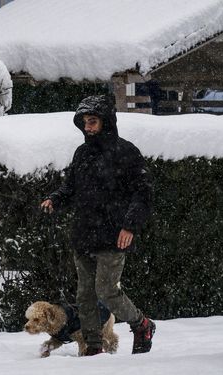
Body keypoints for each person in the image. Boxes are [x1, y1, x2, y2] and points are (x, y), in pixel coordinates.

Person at [40, 94, 155, 355]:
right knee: (84, 295)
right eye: (85, 123)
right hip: (84, 233)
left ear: (106, 122)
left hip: (114, 233)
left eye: (93, 122)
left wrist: (130, 226)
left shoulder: (126, 152)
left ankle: (142, 324)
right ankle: (93, 345)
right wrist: (56, 199)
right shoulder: (81, 153)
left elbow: (143, 192)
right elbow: (70, 187)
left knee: (106, 290)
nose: (88, 128)